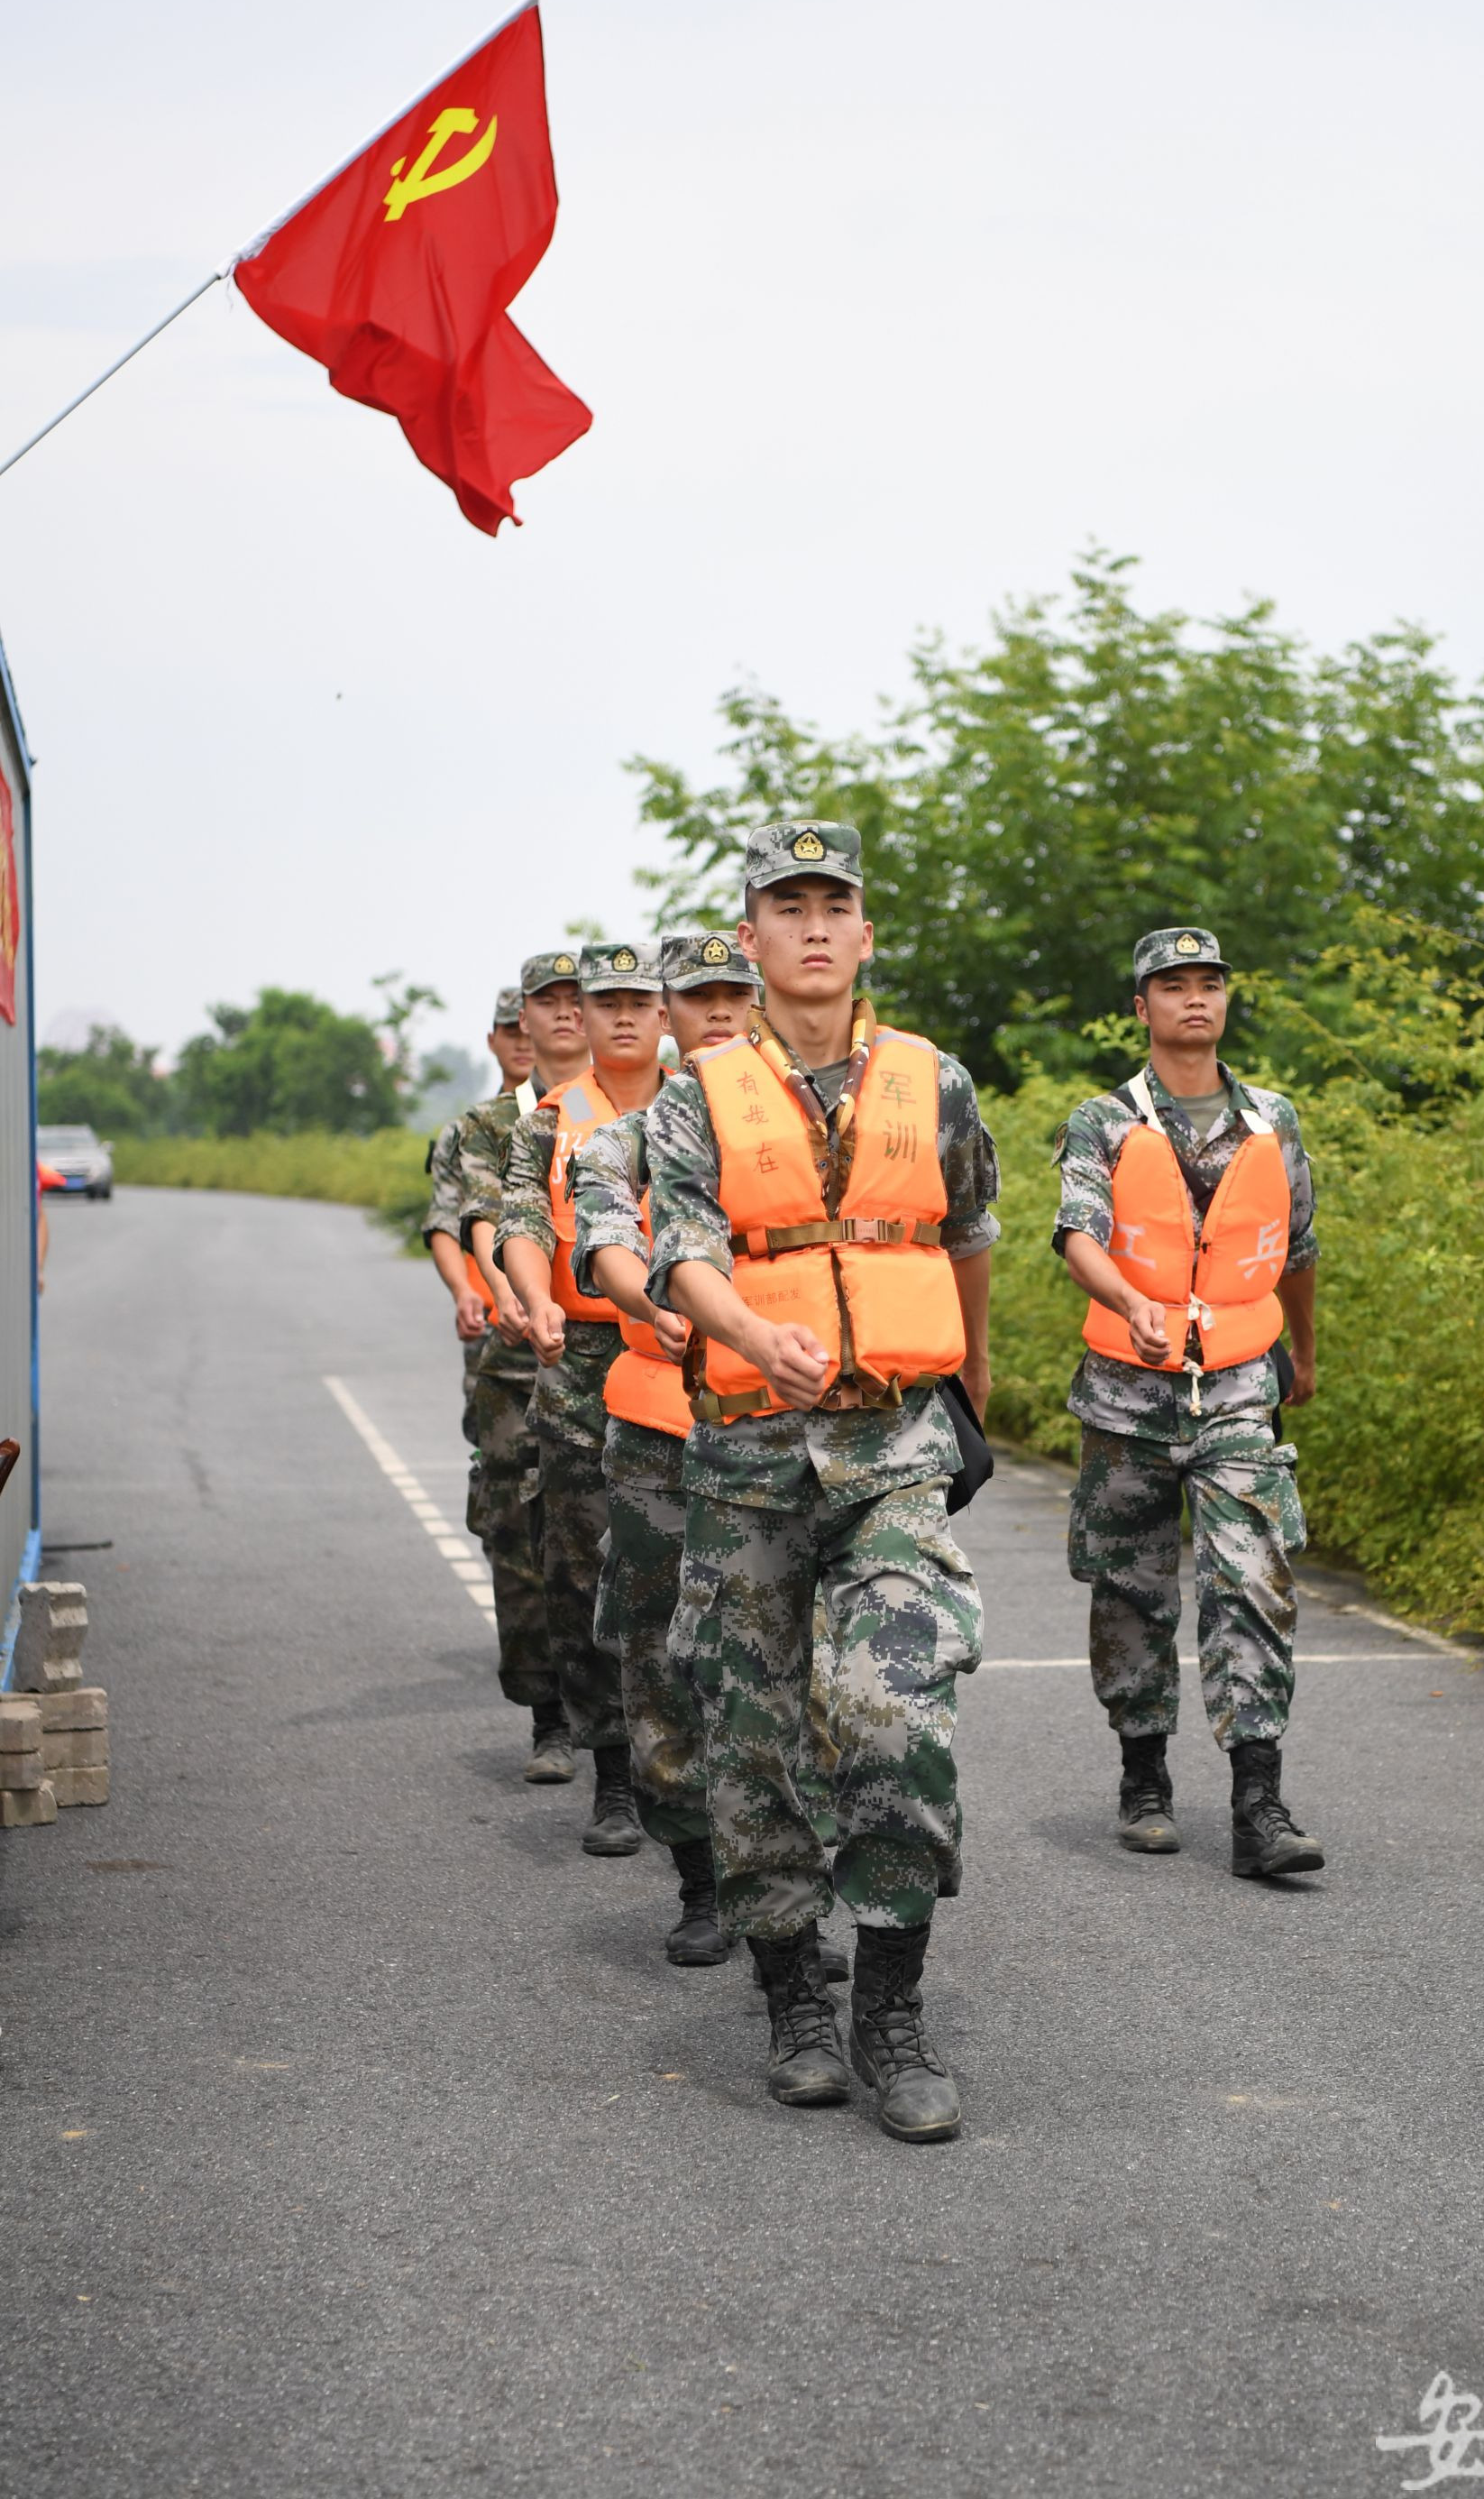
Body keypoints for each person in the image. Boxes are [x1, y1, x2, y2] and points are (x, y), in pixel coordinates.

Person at [646, 822, 997, 2145]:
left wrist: (970, 1396)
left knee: (897, 1713)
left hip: (893, 1450)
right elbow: (681, 1253)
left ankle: (892, 2008)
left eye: (830, 904)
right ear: (749, 938)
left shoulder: (935, 1083)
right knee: (752, 1742)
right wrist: (749, 1337)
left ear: (863, 935)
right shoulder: (697, 1096)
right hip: (745, 1456)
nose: (809, 925)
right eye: (783, 905)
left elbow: (966, 1240)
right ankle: (794, 1989)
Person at [574, 930, 847, 1977]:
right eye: (700, 999)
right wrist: (658, 1300)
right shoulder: (637, 1132)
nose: (723, 1013)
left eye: (737, 994)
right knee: (662, 1664)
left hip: (785, 1441)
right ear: (670, 1015)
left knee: (795, 1675)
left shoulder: (809, 1123)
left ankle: (797, 1899)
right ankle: (699, 1880)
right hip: (661, 1436)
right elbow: (601, 1235)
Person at [1052, 925, 1324, 1879]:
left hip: (1243, 1387)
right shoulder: (1102, 1119)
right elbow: (1076, 1231)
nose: (1194, 1000)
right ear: (1142, 1008)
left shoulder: (1272, 1120)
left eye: (1210, 983)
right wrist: (1130, 1303)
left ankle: (1260, 1803)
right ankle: (1144, 1777)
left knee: (1252, 1580)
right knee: (1131, 1591)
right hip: (1128, 1397)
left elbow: (1295, 1248)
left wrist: (1304, 1352)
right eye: (1173, 986)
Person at [495, 943, 666, 1856]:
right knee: (583, 1564)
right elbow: (523, 1221)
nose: (624, 1017)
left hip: (689, 1352)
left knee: (690, 1564)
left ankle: (691, 1768)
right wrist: (534, 1299)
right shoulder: (550, 1120)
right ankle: (613, 1774)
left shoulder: (703, 1107)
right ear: (584, 1022)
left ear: (665, 1013)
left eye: (642, 1000)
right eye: (606, 1004)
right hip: (584, 1357)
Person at [458, 959, 585, 1784]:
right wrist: (509, 1292)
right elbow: (485, 1217)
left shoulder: (646, 1104)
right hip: (516, 1363)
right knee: (521, 1537)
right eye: (549, 1002)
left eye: (583, 1001)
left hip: (622, 1356)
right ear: (521, 1023)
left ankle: (628, 1718)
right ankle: (548, 1716)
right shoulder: (491, 1123)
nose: (568, 1015)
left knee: (605, 1538)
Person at [423, 989, 533, 1442]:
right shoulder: (468, 1130)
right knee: (499, 1458)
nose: (523, 1041)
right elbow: (444, 1221)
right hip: (494, 1319)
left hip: (576, 1321)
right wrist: (463, 1290)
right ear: (493, 1041)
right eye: (511, 1031)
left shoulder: (581, 1114)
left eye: (528, 1028)